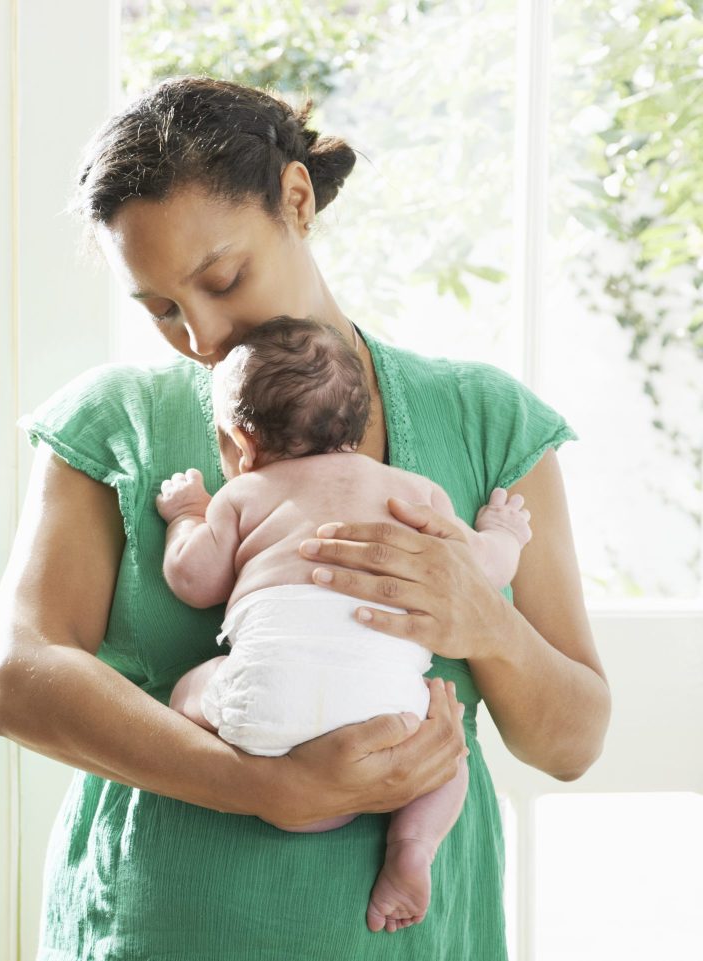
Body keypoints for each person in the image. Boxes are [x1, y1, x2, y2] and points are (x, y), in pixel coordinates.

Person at [0, 75, 610, 960]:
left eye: (222, 277)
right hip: (160, 931)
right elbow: (16, 680)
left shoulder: (486, 419)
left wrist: (485, 622)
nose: (200, 337)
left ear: (297, 199)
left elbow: (572, 741)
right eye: (160, 308)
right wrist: (257, 785)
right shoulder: (112, 420)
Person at [155, 315, 534, 933]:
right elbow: (485, 570)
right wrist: (504, 534)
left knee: (190, 689)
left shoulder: (245, 496)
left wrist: (186, 515)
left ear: (244, 442)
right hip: (391, 718)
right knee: (450, 756)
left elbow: (193, 581)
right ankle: (411, 849)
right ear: (359, 429)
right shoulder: (414, 491)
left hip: (264, 718)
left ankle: (236, 731)